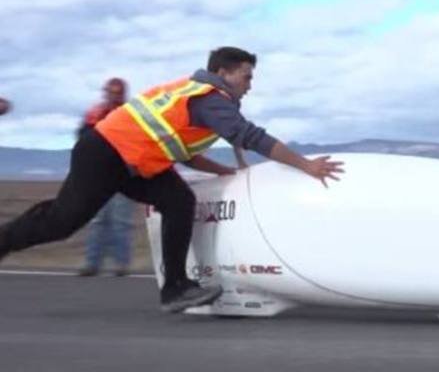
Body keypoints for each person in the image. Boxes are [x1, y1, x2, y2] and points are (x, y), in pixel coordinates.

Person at [0, 47, 344, 312]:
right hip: (106, 152)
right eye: (246, 76)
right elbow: (250, 136)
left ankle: (175, 288)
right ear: (223, 73)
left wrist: (226, 174)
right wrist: (306, 166)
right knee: (62, 222)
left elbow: (183, 151)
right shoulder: (210, 98)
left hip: (133, 161)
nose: (250, 85)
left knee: (179, 201)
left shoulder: (195, 94)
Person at [77, 78, 134, 277]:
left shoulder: (132, 113)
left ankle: (121, 264)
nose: (114, 96)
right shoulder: (94, 114)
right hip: (99, 176)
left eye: (118, 93)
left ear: (123, 94)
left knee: (121, 221)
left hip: (123, 175)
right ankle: (92, 263)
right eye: (111, 92)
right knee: (98, 220)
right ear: (106, 93)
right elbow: (83, 139)